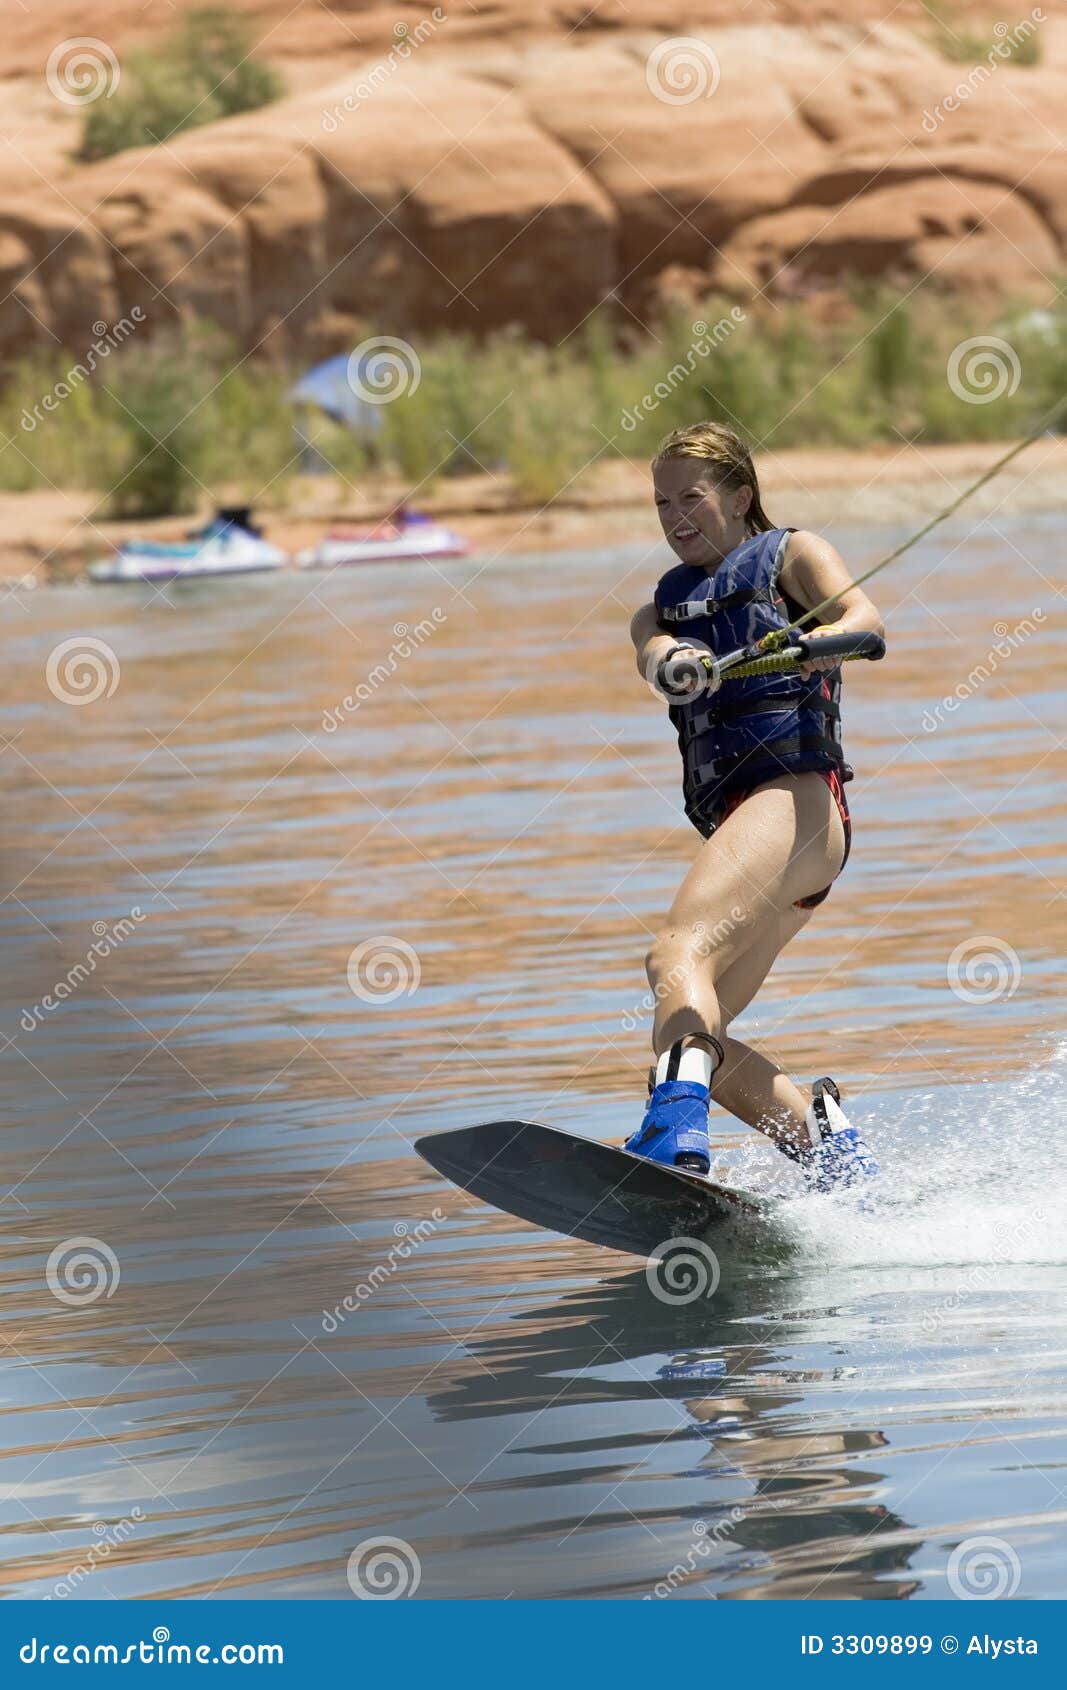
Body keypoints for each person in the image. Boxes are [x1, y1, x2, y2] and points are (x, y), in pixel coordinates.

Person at [626, 422, 884, 1192]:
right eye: (661, 502)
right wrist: (679, 662)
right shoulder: (658, 611)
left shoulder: (792, 553)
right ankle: (828, 1150)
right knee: (701, 1033)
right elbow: (655, 656)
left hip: (793, 802)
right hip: (775, 840)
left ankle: (671, 1135)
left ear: (740, 497)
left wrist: (803, 646)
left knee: (674, 956)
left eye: (692, 498)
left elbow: (865, 625)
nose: (676, 516)